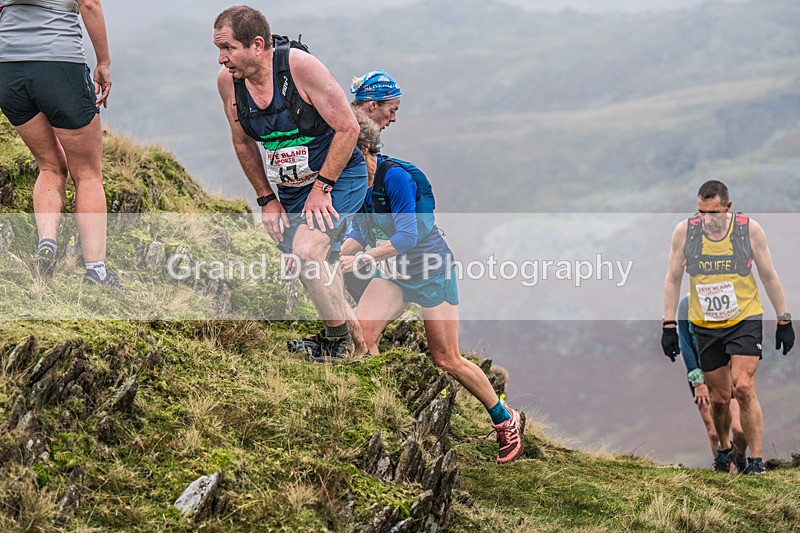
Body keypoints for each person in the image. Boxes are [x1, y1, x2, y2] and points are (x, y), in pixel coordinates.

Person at [337, 110, 526, 464]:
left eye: (346, 155)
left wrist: (363, 260)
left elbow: (408, 235)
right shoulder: (357, 182)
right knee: (363, 337)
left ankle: (505, 419)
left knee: (446, 359)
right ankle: (386, 413)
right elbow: (357, 233)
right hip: (393, 272)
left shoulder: (396, 178)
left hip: (430, 271)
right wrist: (328, 256)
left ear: (364, 148)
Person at [214, 6, 367, 358]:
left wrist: (322, 187)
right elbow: (242, 141)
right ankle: (360, 351)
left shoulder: (299, 67)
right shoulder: (228, 83)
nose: (221, 59)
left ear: (257, 44)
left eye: (228, 48)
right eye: (217, 49)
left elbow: (349, 128)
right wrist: (266, 199)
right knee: (312, 263)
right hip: (291, 186)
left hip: (338, 175)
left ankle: (335, 343)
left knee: (307, 251)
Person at [662, 180, 795, 475]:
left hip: (744, 318)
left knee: (744, 386)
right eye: (702, 212)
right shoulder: (686, 233)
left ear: (728, 207)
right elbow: (672, 279)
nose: (708, 219)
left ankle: (756, 463)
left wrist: (784, 319)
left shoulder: (749, 231)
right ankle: (724, 449)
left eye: (714, 212)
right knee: (720, 399)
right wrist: (669, 325)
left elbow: (769, 275)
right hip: (706, 325)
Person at [0, 0, 119, 285]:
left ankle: (47, 244)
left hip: (7, 69)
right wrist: (103, 62)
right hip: (59, 64)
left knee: (49, 165)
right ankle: (96, 271)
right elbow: (89, 4)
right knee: (88, 173)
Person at [677, 294, 747, 471]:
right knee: (713, 432)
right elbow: (685, 344)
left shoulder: (725, 299)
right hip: (700, 375)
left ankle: (740, 458)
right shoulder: (686, 304)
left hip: (727, 372)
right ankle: (725, 476)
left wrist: (734, 374)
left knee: (739, 430)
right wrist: (698, 383)